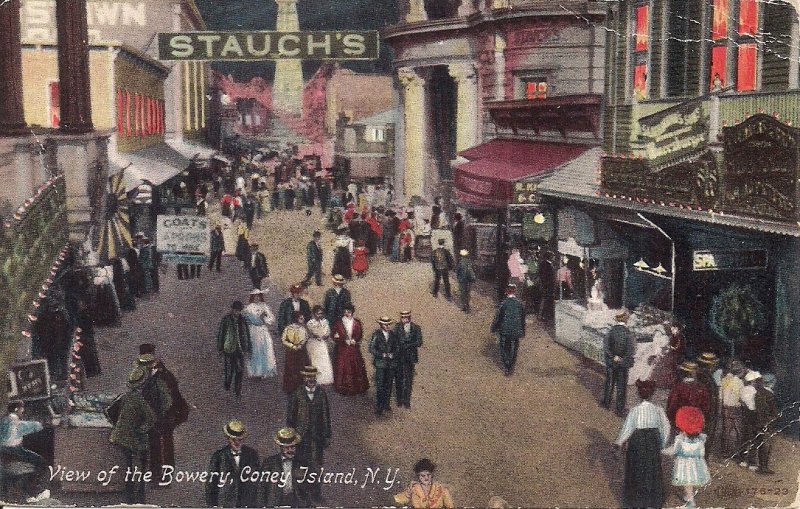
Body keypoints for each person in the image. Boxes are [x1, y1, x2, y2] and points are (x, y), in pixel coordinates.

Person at [134, 344, 190, 485]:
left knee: (163, 447)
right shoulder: (150, 373)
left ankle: (163, 477)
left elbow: (170, 399)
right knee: (155, 447)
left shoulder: (163, 376)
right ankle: (155, 476)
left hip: (162, 419)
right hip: (155, 418)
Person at [614, 379, 670, 509]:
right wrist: (662, 443)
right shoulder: (658, 410)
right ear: (653, 394)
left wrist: (619, 442)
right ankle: (651, 501)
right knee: (651, 469)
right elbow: (665, 427)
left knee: (637, 469)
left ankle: (636, 502)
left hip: (637, 441)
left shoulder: (635, 410)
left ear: (639, 394)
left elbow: (627, 429)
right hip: (652, 441)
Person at [107, 366, 155, 504]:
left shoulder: (125, 397)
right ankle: (139, 495)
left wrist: (117, 424)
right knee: (140, 465)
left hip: (120, 437)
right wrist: (142, 429)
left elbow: (109, 411)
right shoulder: (140, 400)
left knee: (128, 465)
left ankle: (129, 495)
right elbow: (151, 419)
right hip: (134, 439)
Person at [286, 366, 331, 503]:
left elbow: (326, 415)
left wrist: (327, 435)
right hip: (300, 438)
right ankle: (301, 496)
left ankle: (316, 494)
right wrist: (291, 438)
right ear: (304, 378)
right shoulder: (296, 394)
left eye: (313, 377)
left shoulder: (322, 393)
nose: (311, 379)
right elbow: (290, 418)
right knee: (300, 467)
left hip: (317, 439)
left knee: (316, 467)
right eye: (308, 377)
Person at [662, 406, 710, 508]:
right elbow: (701, 453)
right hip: (696, 465)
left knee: (687, 483)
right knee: (690, 483)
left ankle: (690, 501)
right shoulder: (701, 439)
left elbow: (673, 451)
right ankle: (689, 497)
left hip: (684, 466)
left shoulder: (680, 440)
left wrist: (663, 451)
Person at [204, 420, 260, 508]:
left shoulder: (252, 455)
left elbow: (258, 482)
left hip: (247, 503)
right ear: (228, 438)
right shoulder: (219, 456)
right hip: (225, 503)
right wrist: (212, 505)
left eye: (240, 440)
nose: (237, 442)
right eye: (233, 439)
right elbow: (211, 485)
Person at [0, 401, 48, 498]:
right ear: (17, 409)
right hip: (13, 450)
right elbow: (29, 426)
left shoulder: (3, 419)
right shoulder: (13, 419)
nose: (23, 411)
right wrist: (42, 424)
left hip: (3, 450)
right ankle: (33, 493)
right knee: (41, 462)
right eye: (22, 408)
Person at [741, 371, 778, 474]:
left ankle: (755, 463)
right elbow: (772, 411)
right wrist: (773, 419)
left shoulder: (758, 392)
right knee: (765, 445)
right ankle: (763, 467)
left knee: (757, 442)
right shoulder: (769, 394)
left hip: (757, 422)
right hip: (766, 422)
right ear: (771, 383)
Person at [262, 428, 309, 508]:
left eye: (293, 447)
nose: (290, 450)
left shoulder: (302, 463)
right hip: (275, 503)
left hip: (297, 503)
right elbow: (262, 487)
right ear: (281, 447)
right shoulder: (269, 463)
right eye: (287, 448)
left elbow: (309, 488)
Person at [216, 301, 252, 399]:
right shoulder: (226, 319)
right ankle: (227, 384)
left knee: (240, 370)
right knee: (229, 370)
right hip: (229, 348)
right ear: (232, 310)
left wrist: (248, 347)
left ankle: (237, 390)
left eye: (239, 311)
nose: (237, 312)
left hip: (240, 349)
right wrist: (220, 347)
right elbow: (221, 334)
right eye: (236, 310)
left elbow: (246, 334)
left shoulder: (243, 320)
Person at [331, 303, 369, 396]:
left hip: (353, 348)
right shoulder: (339, 323)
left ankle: (357, 387)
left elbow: (359, 334)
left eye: (349, 312)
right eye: (345, 312)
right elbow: (334, 335)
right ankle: (343, 387)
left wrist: (354, 340)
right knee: (343, 367)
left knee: (356, 365)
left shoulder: (356, 322)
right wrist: (341, 340)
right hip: (342, 348)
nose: (347, 313)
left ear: (352, 312)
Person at [602, 311, 635, 415]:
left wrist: (613, 356)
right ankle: (619, 409)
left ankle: (606, 403)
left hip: (611, 362)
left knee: (609, 382)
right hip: (622, 365)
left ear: (616, 319)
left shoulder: (611, 331)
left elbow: (606, 346)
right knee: (621, 386)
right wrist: (622, 359)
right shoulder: (628, 334)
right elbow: (630, 351)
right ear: (626, 320)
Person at [491, 284, 526, 377]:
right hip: (516, 330)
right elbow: (523, 319)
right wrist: (523, 330)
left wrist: (493, 328)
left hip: (505, 330)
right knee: (514, 347)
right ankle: (511, 365)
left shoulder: (503, 303)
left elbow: (497, 318)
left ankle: (507, 366)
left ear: (506, 292)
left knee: (504, 347)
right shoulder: (520, 304)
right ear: (514, 292)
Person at [369, 316, 400, 416]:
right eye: (385, 324)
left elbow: (397, 348)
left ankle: (386, 404)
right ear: (381, 325)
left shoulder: (393, 335)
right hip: (380, 364)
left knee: (389, 385)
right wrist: (381, 355)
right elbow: (372, 349)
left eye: (388, 324)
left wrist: (392, 354)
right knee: (380, 385)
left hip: (391, 364)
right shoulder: (376, 335)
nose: (387, 326)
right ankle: (379, 406)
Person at [243, 289, 277, 379]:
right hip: (254, 330)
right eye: (255, 296)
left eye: (259, 296)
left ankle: (264, 370)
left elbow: (271, 319)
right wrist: (257, 319)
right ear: (252, 297)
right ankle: (255, 371)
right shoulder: (249, 307)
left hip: (263, 330)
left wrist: (264, 318)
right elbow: (247, 320)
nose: (257, 298)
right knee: (255, 349)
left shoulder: (264, 306)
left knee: (265, 348)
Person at [667, 361, 710, 427]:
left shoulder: (678, 388)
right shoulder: (701, 388)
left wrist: (673, 421)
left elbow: (672, 407)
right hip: (697, 421)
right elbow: (706, 407)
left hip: (681, 421)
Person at [394, 311, 422, 409]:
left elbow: (419, 342)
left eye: (406, 317)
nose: (404, 319)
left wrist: (409, 345)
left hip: (410, 357)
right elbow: (393, 340)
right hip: (399, 357)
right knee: (399, 379)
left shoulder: (416, 328)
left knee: (409, 380)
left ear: (409, 318)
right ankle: (399, 400)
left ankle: (406, 400)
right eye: (402, 318)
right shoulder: (397, 327)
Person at [719, 360, 745, 457]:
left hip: (725, 407)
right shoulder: (739, 383)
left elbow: (720, 397)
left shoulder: (724, 380)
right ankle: (740, 452)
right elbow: (742, 397)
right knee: (739, 430)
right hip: (736, 408)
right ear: (740, 372)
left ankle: (724, 451)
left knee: (726, 430)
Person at [697, 352, 720, 457]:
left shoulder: (703, 375)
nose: (715, 366)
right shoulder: (705, 378)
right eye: (714, 364)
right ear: (710, 365)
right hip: (706, 415)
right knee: (704, 441)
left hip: (706, 414)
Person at [282, 312, 311, 394]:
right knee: (291, 369)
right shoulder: (288, 328)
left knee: (301, 368)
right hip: (291, 352)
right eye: (301, 318)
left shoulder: (303, 329)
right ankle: (291, 388)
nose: (303, 320)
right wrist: (293, 346)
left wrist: (301, 345)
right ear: (296, 319)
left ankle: (301, 387)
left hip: (301, 352)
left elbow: (306, 338)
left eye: (303, 318)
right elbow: (284, 340)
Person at [305, 306, 335, 385]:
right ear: (314, 314)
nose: (319, 315)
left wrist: (325, 336)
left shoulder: (325, 321)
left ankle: (325, 378)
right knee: (315, 360)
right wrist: (316, 335)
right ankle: (315, 378)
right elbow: (310, 333)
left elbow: (328, 331)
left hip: (322, 342)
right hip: (314, 343)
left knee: (324, 359)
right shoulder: (310, 323)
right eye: (318, 314)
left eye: (321, 314)